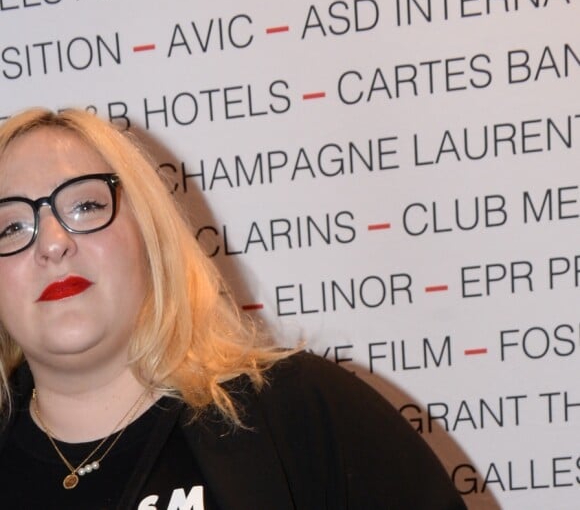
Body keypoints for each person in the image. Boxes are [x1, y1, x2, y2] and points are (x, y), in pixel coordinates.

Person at [0, 108, 466, 509]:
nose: (53, 244)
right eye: (11, 228)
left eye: (85, 205)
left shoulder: (300, 414)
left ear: (150, 237)